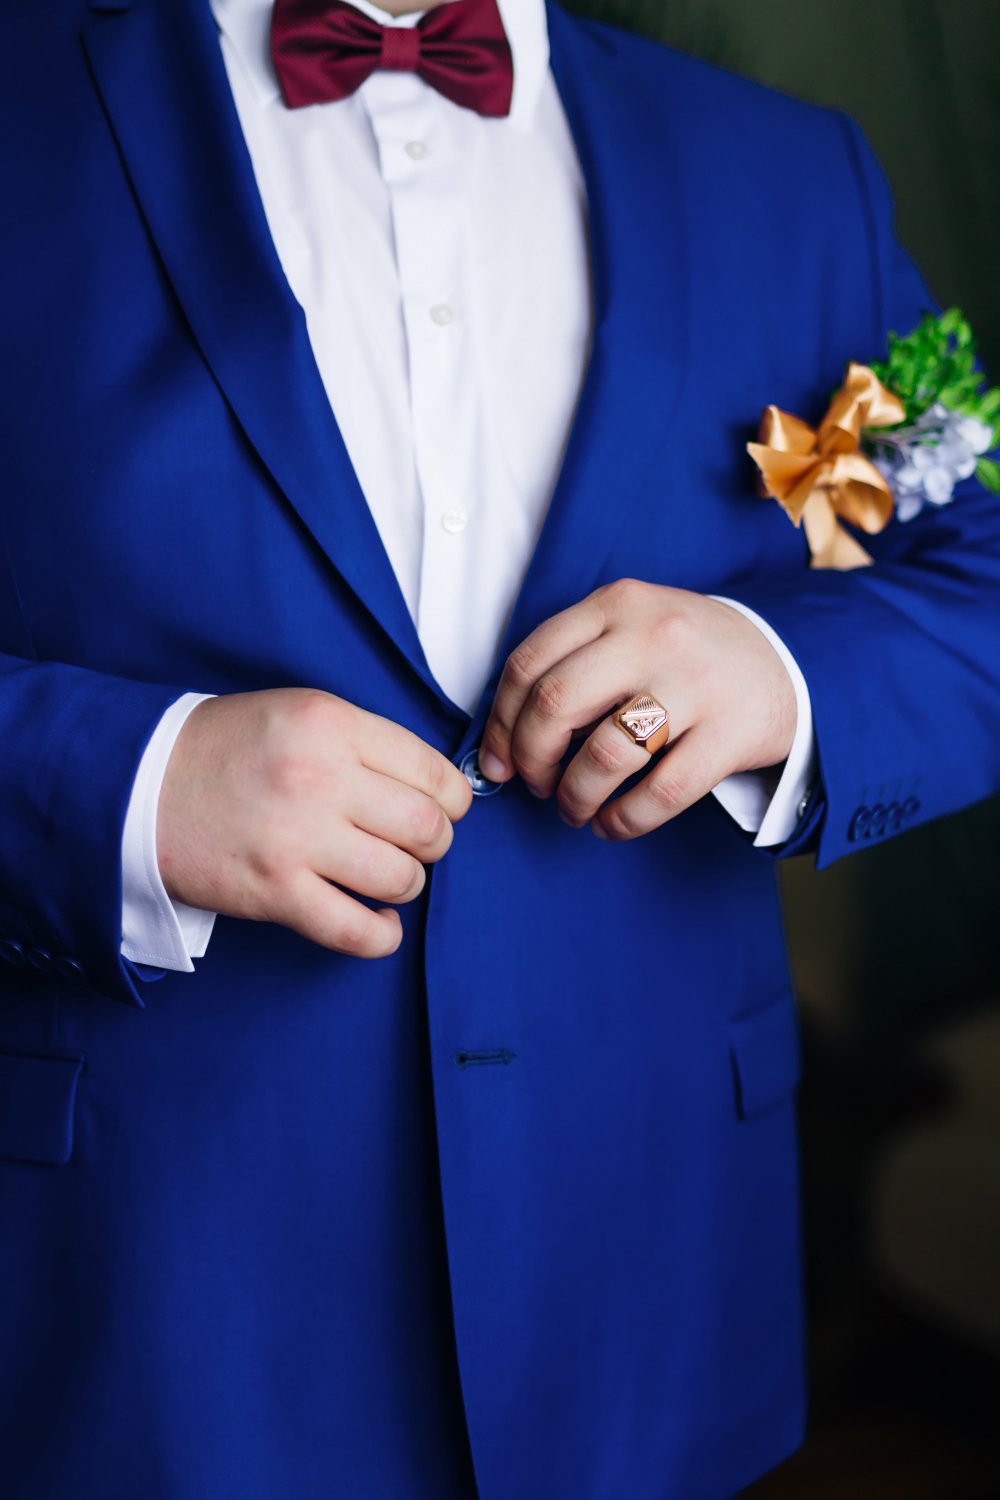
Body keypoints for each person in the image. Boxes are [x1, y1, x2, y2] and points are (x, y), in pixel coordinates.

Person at [1, 0, 998, 1495]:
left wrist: (785, 668)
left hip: (653, 1303)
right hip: (134, 1309)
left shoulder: (790, 175)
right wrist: (129, 790)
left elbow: (976, 538)